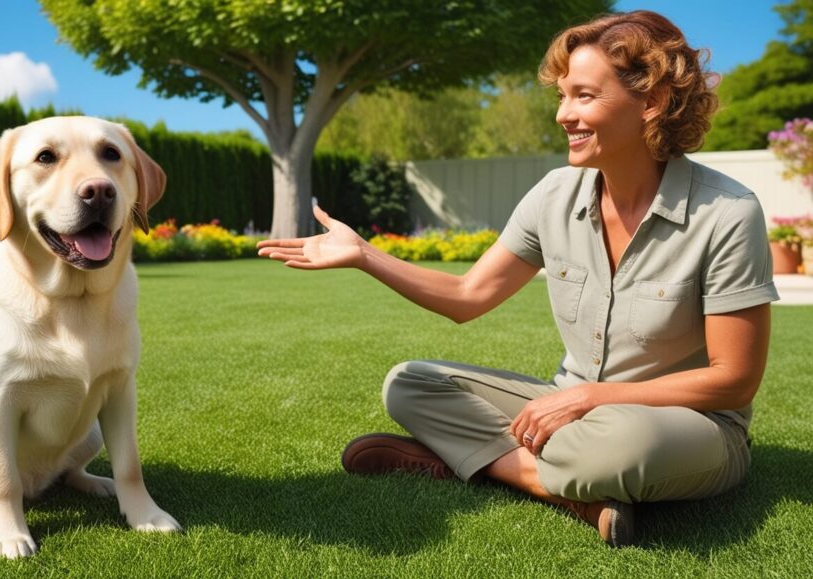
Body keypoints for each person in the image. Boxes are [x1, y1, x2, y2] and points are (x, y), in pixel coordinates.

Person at [256, 10, 779, 548]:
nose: (563, 115)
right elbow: (468, 295)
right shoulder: (554, 194)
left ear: (652, 102)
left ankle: (478, 462)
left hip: (683, 427)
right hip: (568, 409)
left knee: (621, 446)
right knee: (410, 384)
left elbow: (734, 380)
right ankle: (562, 489)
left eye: (584, 96)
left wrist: (590, 399)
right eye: (561, 96)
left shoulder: (727, 213)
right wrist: (366, 255)